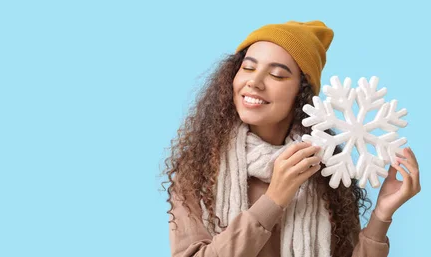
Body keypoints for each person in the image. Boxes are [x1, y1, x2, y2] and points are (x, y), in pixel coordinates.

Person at [162, 20, 421, 257]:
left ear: (302, 93)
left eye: (277, 74)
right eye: (248, 68)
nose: (254, 81)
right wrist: (273, 200)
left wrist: (381, 216)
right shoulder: (198, 171)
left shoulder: (326, 172)